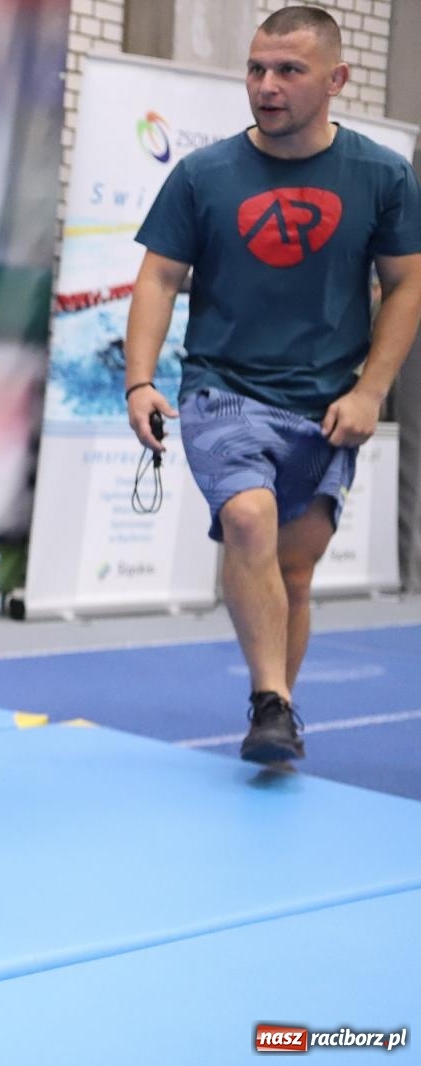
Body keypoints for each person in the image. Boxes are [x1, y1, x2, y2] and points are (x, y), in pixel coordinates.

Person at [125, 6, 421, 765]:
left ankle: (275, 719)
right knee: (250, 518)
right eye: (256, 69)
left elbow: (407, 284)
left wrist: (370, 392)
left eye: (288, 70)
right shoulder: (203, 174)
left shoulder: (383, 175)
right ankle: (271, 699)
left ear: (336, 79)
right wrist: (139, 382)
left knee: (295, 567)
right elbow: (159, 277)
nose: (266, 85)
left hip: (324, 404)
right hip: (221, 389)